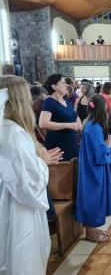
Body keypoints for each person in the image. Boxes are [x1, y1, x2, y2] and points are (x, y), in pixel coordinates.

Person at [0, 76, 63, 274]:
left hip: (10, 202)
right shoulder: (14, 134)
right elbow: (27, 183)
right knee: (22, 258)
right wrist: (42, 163)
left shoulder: (6, 129)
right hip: (18, 209)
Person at [75, 95, 111, 243]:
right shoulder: (95, 128)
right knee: (94, 197)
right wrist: (108, 147)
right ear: (101, 108)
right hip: (94, 168)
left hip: (89, 166)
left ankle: (94, 229)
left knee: (93, 196)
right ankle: (91, 233)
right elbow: (99, 154)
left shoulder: (89, 123)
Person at [39, 74, 81, 161]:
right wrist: (67, 125)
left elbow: (75, 116)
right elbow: (43, 123)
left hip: (71, 143)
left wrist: (79, 124)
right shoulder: (49, 102)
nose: (66, 85)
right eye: (63, 83)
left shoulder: (67, 101)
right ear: (54, 86)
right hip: (58, 146)